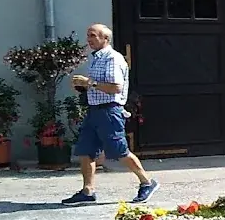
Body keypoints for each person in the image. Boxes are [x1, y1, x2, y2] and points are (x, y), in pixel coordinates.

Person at [62, 24, 159, 205]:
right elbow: (98, 85)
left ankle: (147, 182)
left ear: (105, 39)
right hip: (95, 110)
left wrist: (89, 82)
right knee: (85, 150)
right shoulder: (96, 58)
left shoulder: (112, 59)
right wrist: (83, 87)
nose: (89, 39)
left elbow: (115, 87)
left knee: (119, 150)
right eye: (88, 35)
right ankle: (88, 191)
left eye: (93, 36)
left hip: (109, 110)